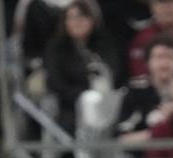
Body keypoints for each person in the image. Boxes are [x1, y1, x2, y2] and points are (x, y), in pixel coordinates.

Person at [42, 0, 118, 134]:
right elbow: (55, 82)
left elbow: (115, 70)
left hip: (106, 101)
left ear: (92, 20)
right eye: (71, 18)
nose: (77, 22)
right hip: (71, 105)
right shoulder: (57, 48)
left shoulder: (106, 43)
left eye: (82, 17)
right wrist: (83, 95)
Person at [114, 34, 173, 142]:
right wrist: (159, 132)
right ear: (147, 62)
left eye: (170, 57)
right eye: (159, 57)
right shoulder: (135, 90)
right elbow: (121, 139)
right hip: (142, 156)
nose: (164, 63)